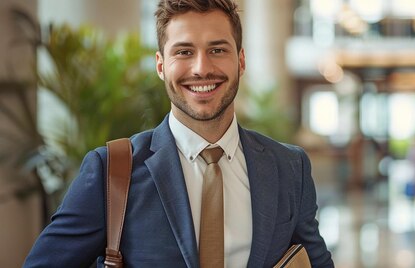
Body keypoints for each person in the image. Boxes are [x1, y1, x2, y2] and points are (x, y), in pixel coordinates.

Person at [24, 0, 334, 267]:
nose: (201, 68)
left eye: (217, 49)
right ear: (161, 65)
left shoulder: (289, 167)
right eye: (184, 51)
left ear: (240, 61)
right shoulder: (111, 170)